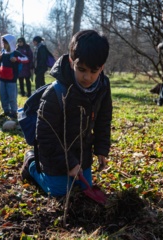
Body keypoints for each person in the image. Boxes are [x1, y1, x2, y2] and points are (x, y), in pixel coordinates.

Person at [21, 30, 112, 197]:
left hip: (82, 154)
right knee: (60, 192)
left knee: (84, 190)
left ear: (102, 67)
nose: (87, 77)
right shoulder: (56, 93)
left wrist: (101, 149)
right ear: (71, 62)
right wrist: (69, 163)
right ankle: (32, 165)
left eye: (94, 71)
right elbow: (45, 135)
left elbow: (103, 120)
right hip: (54, 155)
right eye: (82, 69)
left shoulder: (103, 86)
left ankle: (71, 171)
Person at [0, 34, 29, 119]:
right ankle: (6, 111)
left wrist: (17, 59)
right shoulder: (2, 52)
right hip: (2, 77)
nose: (3, 44)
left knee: (12, 96)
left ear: (10, 43)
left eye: (5, 42)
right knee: (3, 95)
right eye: (3, 42)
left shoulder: (15, 53)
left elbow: (26, 59)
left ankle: (14, 112)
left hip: (11, 78)